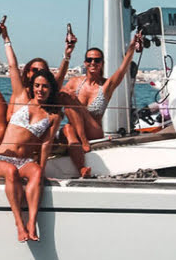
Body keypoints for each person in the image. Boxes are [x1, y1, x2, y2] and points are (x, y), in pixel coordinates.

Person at [0, 26, 62, 243]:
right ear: (32, 86)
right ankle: (19, 224)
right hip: (2, 159)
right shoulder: (21, 98)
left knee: (37, 173)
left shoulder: (53, 116)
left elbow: (45, 145)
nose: (40, 90)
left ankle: (32, 222)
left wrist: (42, 169)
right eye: (37, 85)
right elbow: (13, 66)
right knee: (11, 172)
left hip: (25, 161)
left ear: (50, 89)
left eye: (45, 87)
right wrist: (6, 38)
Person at [61, 30, 144, 177]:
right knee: (67, 124)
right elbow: (55, 92)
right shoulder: (74, 82)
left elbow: (122, 70)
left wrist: (131, 48)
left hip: (93, 131)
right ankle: (82, 169)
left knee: (72, 101)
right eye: (89, 60)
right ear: (85, 63)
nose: (93, 63)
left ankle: (83, 141)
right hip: (73, 132)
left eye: (97, 60)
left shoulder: (105, 86)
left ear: (102, 63)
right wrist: (67, 54)